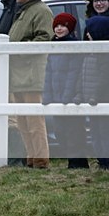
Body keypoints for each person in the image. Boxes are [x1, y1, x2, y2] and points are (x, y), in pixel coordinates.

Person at [7, 0, 54, 169]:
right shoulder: (24, 11)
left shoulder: (41, 11)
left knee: (34, 119)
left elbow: (44, 38)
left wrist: (21, 49)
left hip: (32, 73)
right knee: (22, 120)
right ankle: (31, 157)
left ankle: (41, 159)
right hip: (18, 73)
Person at [42, 13, 89, 169]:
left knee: (74, 131)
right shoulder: (53, 46)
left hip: (70, 98)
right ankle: (70, 159)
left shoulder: (74, 46)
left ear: (70, 28)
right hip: (56, 97)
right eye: (56, 26)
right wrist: (47, 95)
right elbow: (48, 72)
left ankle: (78, 163)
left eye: (63, 25)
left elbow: (74, 73)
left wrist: (67, 96)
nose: (59, 28)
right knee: (59, 131)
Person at [0, 0, 28, 166]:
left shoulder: (18, 6)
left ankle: (16, 159)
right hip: (5, 68)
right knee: (9, 115)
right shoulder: (7, 5)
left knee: (14, 116)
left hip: (16, 69)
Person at [81, 0, 109, 169]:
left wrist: (95, 94)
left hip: (100, 95)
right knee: (96, 130)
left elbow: (103, 75)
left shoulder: (103, 56)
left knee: (104, 130)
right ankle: (102, 161)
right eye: (96, 0)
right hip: (90, 94)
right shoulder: (90, 53)